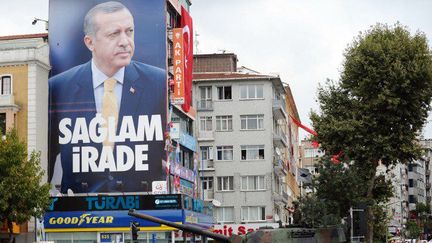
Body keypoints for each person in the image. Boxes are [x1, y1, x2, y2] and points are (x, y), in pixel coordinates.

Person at [48, 1, 166, 193]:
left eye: (129, 31)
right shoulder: (59, 87)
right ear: (90, 42)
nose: (125, 41)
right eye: (114, 33)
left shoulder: (158, 83)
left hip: (144, 210)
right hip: (78, 213)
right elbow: (46, 158)